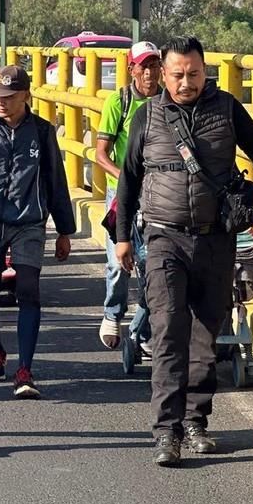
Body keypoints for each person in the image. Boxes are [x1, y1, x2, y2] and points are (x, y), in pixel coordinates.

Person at [116, 36, 253, 467]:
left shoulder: (227, 108)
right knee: (167, 333)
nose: (185, 82)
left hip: (217, 240)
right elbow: (128, 180)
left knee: (204, 336)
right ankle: (166, 431)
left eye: (193, 74)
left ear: (204, 70)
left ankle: (195, 420)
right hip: (163, 239)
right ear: (162, 72)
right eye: (176, 74)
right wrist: (123, 236)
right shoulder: (147, 115)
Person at [0, 65, 75, 398]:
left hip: (29, 222)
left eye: (8, 96)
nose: (0, 103)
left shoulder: (42, 132)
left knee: (29, 289)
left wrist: (65, 230)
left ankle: (24, 370)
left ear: (25, 96)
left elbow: (56, 181)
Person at [94, 41, 162, 350]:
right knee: (118, 261)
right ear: (132, 69)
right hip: (121, 192)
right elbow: (101, 154)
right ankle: (113, 313)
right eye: (143, 66)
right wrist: (126, 178)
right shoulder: (118, 102)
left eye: (154, 65)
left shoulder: (167, 100)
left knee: (154, 267)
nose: (149, 73)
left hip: (159, 194)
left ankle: (143, 330)